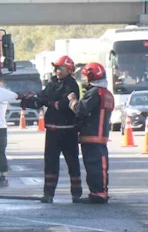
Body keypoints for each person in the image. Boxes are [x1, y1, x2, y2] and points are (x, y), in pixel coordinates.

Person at [19, 55, 81, 203]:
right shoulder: (52, 84)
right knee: (50, 164)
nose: (58, 71)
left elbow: (62, 104)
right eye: (56, 68)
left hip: (68, 131)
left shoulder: (71, 85)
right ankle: (48, 194)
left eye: (61, 68)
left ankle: (76, 194)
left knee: (72, 163)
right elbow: (40, 100)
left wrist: (48, 102)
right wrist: (25, 100)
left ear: (69, 70)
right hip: (52, 131)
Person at [68, 62, 114, 204]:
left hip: (92, 135)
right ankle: (96, 192)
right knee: (96, 165)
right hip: (99, 136)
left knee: (95, 166)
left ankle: (99, 193)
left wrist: (72, 100)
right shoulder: (107, 93)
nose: (84, 81)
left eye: (86, 77)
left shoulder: (95, 92)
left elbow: (81, 109)